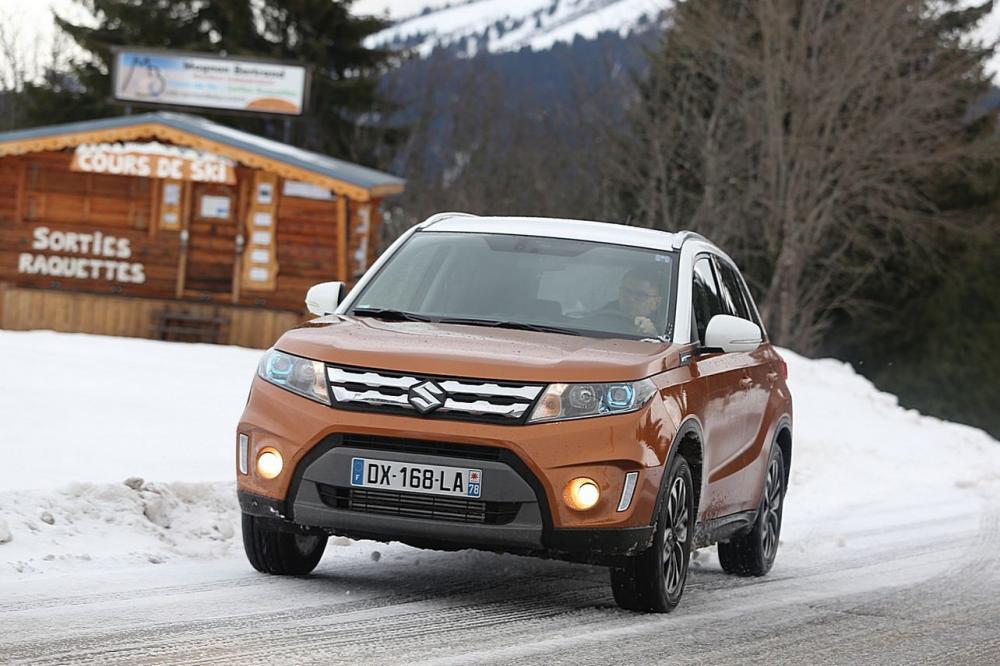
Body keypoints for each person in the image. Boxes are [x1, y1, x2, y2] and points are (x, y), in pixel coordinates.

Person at [595, 266, 664, 336]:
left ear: (656, 303)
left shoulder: (669, 328)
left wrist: (653, 335)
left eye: (641, 295)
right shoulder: (601, 317)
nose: (630, 299)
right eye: (626, 292)